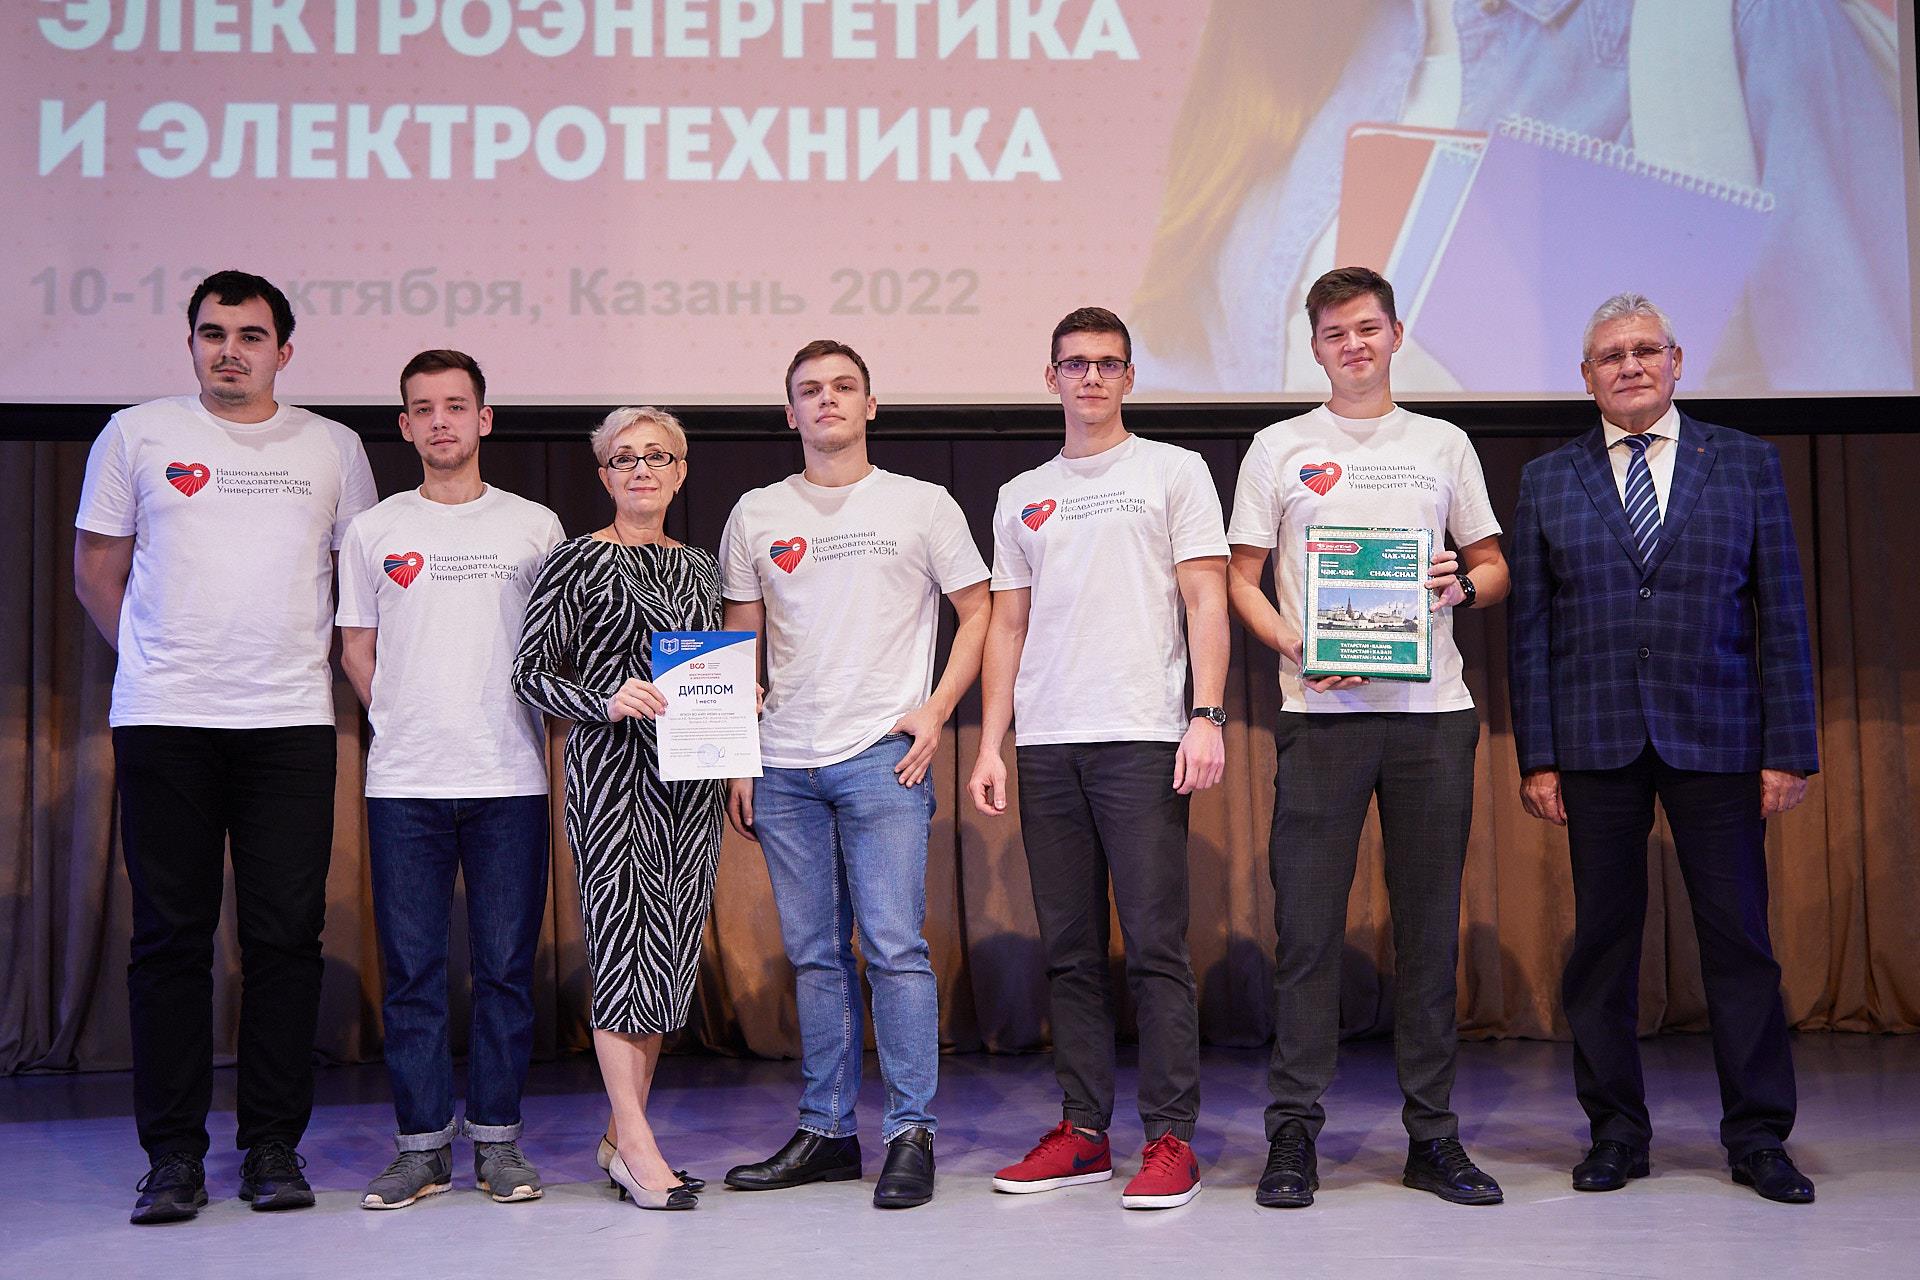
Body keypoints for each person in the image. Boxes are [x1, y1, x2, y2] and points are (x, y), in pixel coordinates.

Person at [1130, 0, 1909, 395]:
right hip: (1323, 609)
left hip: (1596, 603)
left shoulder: (1741, 26)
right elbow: (1192, 374)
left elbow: (1857, 398)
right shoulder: (1292, 45)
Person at [73, 270, 377, 1224]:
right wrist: (156, 661)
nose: (229, 351)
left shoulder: (333, 446)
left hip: (289, 723)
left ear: (284, 351)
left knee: (285, 940)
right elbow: (96, 571)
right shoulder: (135, 434)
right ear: (192, 344)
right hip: (166, 721)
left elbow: (360, 584)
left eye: (250, 336)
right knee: (169, 941)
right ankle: (172, 1158)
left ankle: (272, 1147)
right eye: (213, 334)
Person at [1507, 293, 1820, 1203]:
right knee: (1602, 948)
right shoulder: (1547, 479)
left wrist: (1789, 748)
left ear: (1677, 362)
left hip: (1720, 736)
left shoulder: (1747, 463)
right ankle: (1615, 1133)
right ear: (1587, 377)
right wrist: (1538, 756)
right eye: (1612, 356)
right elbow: (1531, 630)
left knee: (1740, 943)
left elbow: (1783, 611)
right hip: (1594, 739)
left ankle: (1758, 1138)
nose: (1631, 366)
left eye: (1647, 350)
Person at [1225, 267, 1509, 1208]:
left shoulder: (1443, 442)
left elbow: (1493, 567)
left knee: (1427, 934)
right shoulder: (1278, 446)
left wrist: (1461, 585)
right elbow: (1240, 578)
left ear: (1395, 335)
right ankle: (1293, 1136)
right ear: (1313, 347)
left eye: (1368, 328)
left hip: (1433, 719)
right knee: (1307, 933)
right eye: (1335, 333)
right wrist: (1295, 644)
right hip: (1321, 719)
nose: (1354, 345)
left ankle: (1433, 1137)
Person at [718, 340, 990, 1210]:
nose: (827, 400)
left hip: (883, 756)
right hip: (784, 762)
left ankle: (911, 1134)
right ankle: (828, 1133)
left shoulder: (922, 503)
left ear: (871, 404)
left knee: (896, 949)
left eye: (844, 387)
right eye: (810, 390)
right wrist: (740, 754)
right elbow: (740, 642)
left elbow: (979, 611)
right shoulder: (757, 512)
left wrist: (937, 710)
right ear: (789, 412)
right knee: (813, 956)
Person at [969, 306, 1228, 1211]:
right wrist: (991, 741)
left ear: (1129, 377)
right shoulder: (1021, 492)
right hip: (1047, 744)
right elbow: (1007, 624)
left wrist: (1206, 715)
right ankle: (1083, 1133)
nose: (1090, 378)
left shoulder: (1173, 470)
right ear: (1051, 378)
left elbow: (1206, 600)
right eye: (1075, 364)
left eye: (1107, 364)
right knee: (1071, 952)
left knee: (1156, 947)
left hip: (1143, 734)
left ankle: (1170, 1139)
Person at [336, 350, 564, 1209]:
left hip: (510, 779)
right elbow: (356, 647)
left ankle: (498, 1144)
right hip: (405, 784)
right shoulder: (374, 530)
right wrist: (401, 716)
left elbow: (557, 649)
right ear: (405, 426)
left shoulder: (535, 526)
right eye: (424, 409)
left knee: (504, 972)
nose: (440, 421)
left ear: (484, 419)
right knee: (413, 975)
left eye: (456, 406)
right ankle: (422, 1150)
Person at [511, 407, 723, 1212]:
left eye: (657, 456)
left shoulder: (700, 568)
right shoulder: (574, 561)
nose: (641, 470)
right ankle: (636, 1146)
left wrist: (739, 700)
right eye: (624, 458)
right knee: (622, 947)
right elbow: (530, 673)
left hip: (691, 781)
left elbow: (711, 671)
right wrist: (601, 699)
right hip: (611, 775)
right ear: (603, 475)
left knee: (666, 954)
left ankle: (616, 1135)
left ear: (681, 471)